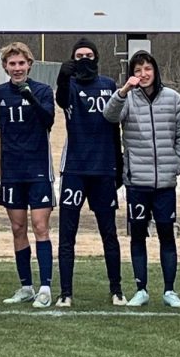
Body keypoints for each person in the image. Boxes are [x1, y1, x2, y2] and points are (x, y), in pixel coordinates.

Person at [102, 49, 180, 309]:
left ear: (155, 71)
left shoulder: (173, 98)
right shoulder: (127, 99)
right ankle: (141, 288)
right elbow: (109, 116)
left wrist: (176, 163)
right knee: (138, 235)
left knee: (167, 234)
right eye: (138, 70)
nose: (143, 74)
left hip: (165, 183)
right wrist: (122, 91)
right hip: (137, 182)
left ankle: (170, 290)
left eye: (147, 69)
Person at [55, 38, 124, 307]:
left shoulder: (108, 84)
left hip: (103, 168)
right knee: (67, 234)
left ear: (96, 57)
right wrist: (63, 77)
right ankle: (66, 292)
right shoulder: (69, 85)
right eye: (78, 55)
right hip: (75, 168)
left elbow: (116, 125)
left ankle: (116, 289)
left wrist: (118, 165)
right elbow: (61, 100)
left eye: (88, 54)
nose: (84, 59)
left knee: (109, 232)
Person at [0, 42, 56, 309]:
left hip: (38, 169)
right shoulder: (0, 92)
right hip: (12, 170)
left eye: (21, 63)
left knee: (40, 227)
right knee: (18, 228)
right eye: (12, 64)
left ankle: (46, 287)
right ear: (5, 66)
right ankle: (26, 285)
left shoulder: (42, 90)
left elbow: (48, 120)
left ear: (30, 64)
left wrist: (31, 98)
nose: (17, 68)